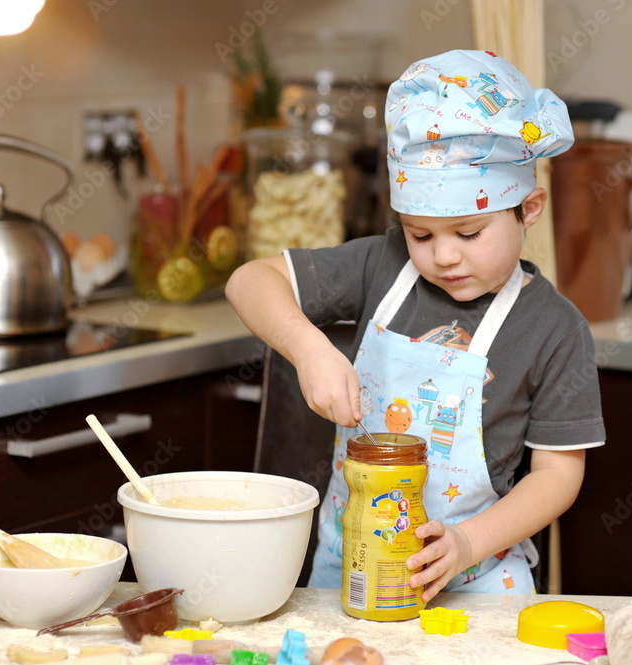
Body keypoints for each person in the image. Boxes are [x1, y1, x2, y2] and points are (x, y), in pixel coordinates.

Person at [226, 49, 606, 602]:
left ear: (528, 208)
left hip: (479, 582)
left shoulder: (555, 330)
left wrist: (467, 543)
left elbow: (558, 477)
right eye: (420, 234)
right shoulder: (382, 266)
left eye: (469, 233)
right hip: (351, 568)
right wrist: (308, 348)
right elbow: (249, 281)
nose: (444, 256)